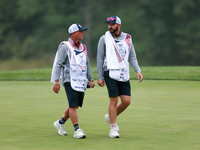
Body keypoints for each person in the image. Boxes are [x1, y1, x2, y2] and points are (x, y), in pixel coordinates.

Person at [97, 16, 143, 138]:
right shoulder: (104, 38)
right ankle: (113, 128)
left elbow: (132, 56)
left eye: (112, 24)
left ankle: (110, 116)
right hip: (109, 71)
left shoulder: (128, 38)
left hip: (123, 72)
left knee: (127, 101)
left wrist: (137, 70)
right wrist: (99, 76)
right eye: (109, 24)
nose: (110, 27)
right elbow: (100, 58)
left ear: (119, 25)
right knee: (114, 100)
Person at [51, 23, 95, 139]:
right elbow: (58, 64)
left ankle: (60, 123)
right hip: (68, 79)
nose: (83, 33)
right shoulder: (65, 46)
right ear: (74, 33)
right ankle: (77, 130)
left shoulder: (83, 47)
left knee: (75, 106)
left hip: (81, 80)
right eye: (81, 31)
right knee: (73, 105)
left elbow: (87, 64)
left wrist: (90, 78)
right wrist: (56, 82)